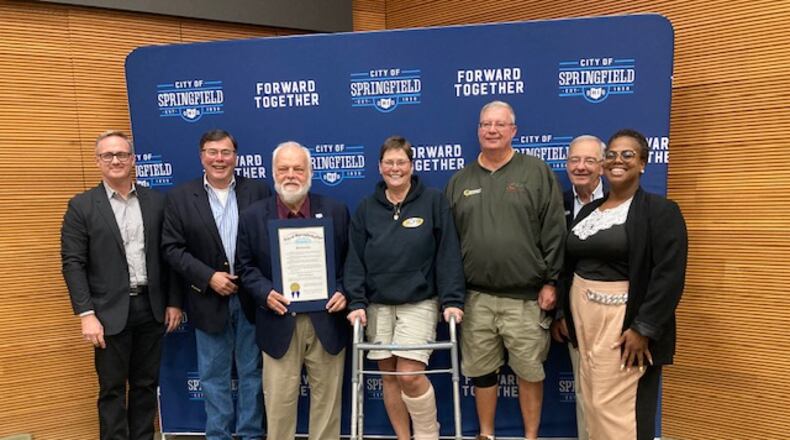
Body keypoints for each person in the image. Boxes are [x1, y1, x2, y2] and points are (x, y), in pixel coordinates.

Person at [445, 101, 566, 440]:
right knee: (482, 372)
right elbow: (449, 244)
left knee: (529, 371)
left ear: (513, 130)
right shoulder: (460, 180)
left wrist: (552, 281)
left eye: (500, 124)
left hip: (526, 298)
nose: (492, 130)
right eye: (486, 124)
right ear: (478, 130)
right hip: (476, 298)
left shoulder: (536, 172)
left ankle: (530, 437)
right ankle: (486, 434)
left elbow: (554, 230)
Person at [557, 129, 688, 440]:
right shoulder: (590, 211)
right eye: (612, 155)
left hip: (623, 322)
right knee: (592, 402)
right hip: (584, 321)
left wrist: (644, 328)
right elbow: (569, 264)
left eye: (628, 155)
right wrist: (563, 312)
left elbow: (669, 275)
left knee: (616, 408)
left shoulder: (660, 211)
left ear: (642, 163)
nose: (618, 160)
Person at [61, 130, 182, 440]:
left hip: (152, 308)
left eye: (122, 154)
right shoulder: (82, 206)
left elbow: (169, 256)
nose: (115, 160)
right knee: (112, 389)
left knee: (146, 385)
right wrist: (86, 314)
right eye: (108, 155)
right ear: (97, 161)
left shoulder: (157, 202)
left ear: (133, 159)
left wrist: (173, 301)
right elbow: (73, 263)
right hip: (107, 314)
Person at [345, 136, 466, 440]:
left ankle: (427, 433)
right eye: (389, 162)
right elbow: (355, 260)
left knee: (409, 375)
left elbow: (448, 253)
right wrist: (356, 302)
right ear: (379, 167)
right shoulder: (366, 208)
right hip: (378, 304)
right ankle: (403, 437)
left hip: (419, 301)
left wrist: (452, 300)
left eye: (401, 162)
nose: (395, 168)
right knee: (389, 377)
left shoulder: (433, 201)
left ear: (412, 166)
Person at [236, 141, 349, 440]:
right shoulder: (252, 216)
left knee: (327, 404)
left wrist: (343, 290)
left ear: (310, 172)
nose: (290, 175)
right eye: (283, 168)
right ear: (273, 172)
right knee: (279, 406)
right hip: (278, 321)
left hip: (327, 320)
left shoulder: (335, 211)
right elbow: (245, 267)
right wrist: (265, 293)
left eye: (298, 169)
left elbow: (351, 262)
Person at [162, 129, 270, 440]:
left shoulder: (258, 191)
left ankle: (251, 434)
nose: (219, 159)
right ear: (202, 157)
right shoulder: (180, 197)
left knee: (252, 373)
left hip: (252, 299)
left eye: (225, 152)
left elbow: (269, 242)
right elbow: (172, 248)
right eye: (212, 152)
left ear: (235, 157)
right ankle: (218, 436)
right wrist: (209, 277)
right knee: (212, 376)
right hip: (207, 299)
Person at [551, 134, 607, 440]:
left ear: (603, 166)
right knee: (584, 389)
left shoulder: (620, 203)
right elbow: (554, 262)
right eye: (574, 160)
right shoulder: (554, 204)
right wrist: (560, 313)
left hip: (614, 315)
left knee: (610, 394)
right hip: (573, 314)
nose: (580, 167)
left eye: (589, 160)